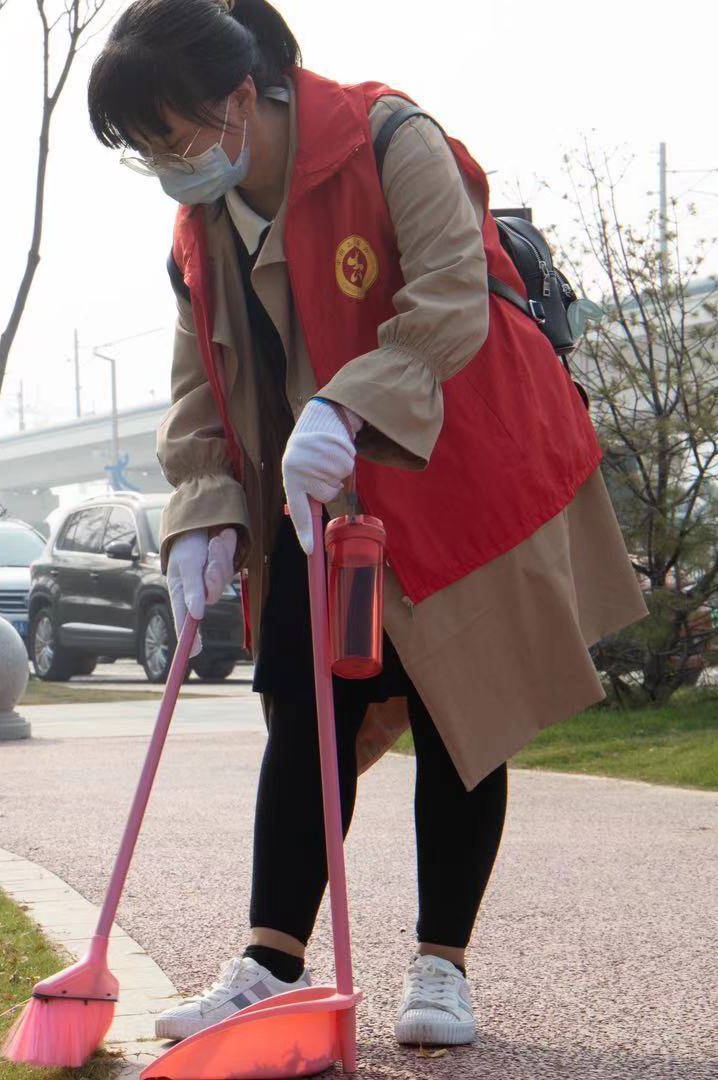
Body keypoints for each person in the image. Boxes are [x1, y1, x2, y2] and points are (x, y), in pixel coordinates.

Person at [85, 0, 644, 1051]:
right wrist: (200, 516)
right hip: (314, 502)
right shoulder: (199, 226)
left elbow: (449, 300)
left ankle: (442, 966)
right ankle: (268, 963)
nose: (167, 166)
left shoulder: (389, 138)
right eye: (144, 150)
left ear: (239, 97)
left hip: (458, 470)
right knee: (303, 708)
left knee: (458, 715)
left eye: (171, 136)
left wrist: (345, 405)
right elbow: (197, 391)